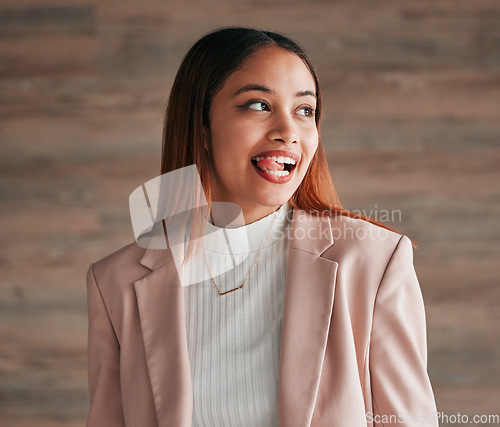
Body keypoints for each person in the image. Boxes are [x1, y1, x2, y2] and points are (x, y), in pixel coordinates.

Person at [86, 27, 438, 426]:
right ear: (201, 127)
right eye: (257, 105)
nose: (288, 132)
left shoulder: (374, 260)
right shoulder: (114, 283)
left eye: (305, 111)